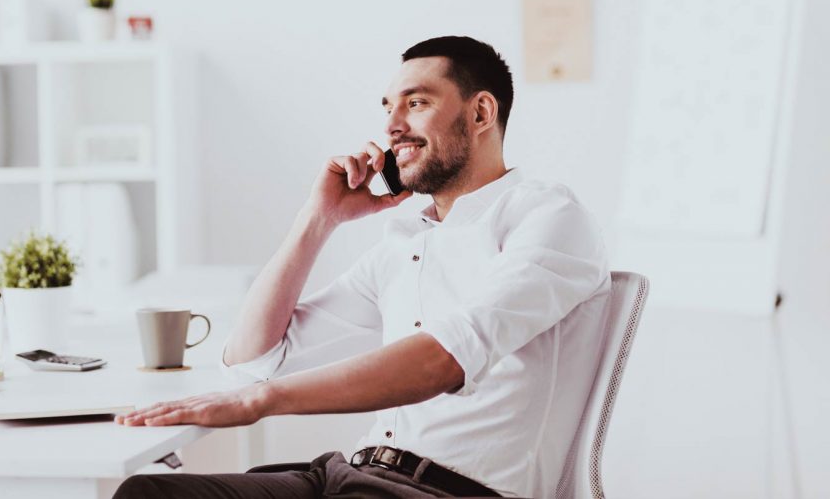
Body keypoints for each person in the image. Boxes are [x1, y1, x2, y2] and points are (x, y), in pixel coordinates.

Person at [113, 36, 611, 498]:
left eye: (416, 103)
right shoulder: (407, 244)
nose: (393, 125)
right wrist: (318, 219)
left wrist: (259, 403)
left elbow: (444, 359)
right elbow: (251, 362)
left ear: (481, 112)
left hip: (441, 492)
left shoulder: (548, 217)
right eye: (388, 108)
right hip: (348, 474)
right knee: (148, 493)